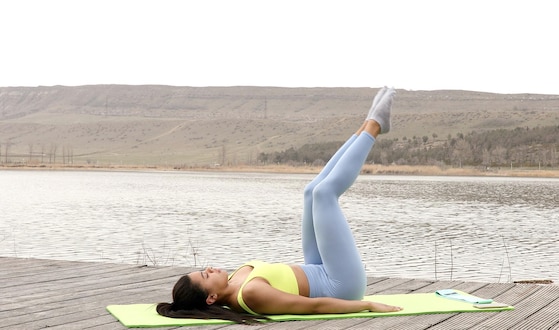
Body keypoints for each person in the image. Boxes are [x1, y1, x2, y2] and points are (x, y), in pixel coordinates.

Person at [157, 87, 401, 324]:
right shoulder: (250, 295)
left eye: (204, 269)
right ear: (211, 298)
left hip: (318, 268)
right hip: (340, 286)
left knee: (310, 193)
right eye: (205, 275)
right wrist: (367, 305)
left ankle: (364, 128)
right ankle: (374, 126)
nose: (209, 268)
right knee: (325, 193)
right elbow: (312, 306)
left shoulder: (232, 281)